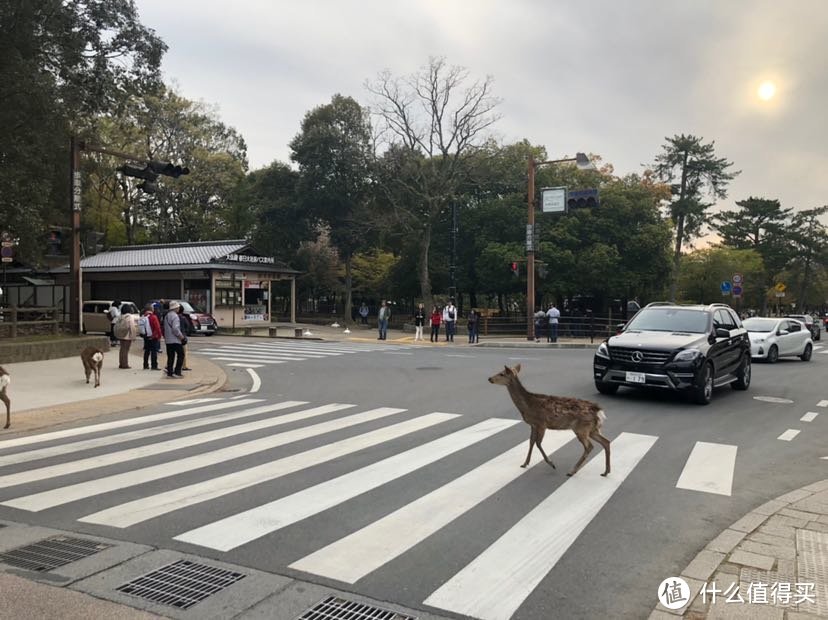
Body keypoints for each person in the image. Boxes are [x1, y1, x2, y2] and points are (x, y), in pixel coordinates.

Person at [163, 300, 186, 378]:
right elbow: (175, 329)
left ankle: (170, 373)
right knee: (181, 355)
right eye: (178, 307)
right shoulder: (175, 316)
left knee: (170, 356)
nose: (178, 309)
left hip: (168, 340)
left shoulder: (166, 316)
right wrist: (181, 336)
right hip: (175, 340)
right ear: (176, 308)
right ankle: (177, 371)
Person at [141, 304, 162, 370]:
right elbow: (157, 327)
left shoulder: (143, 317)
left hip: (146, 336)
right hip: (153, 337)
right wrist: (158, 335)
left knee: (147, 351)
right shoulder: (153, 317)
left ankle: (145, 365)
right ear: (151, 309)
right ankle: (154, 365)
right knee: (154, 351)